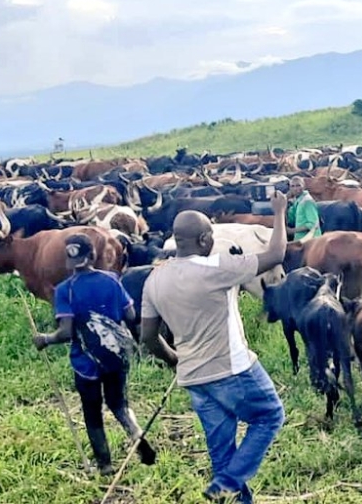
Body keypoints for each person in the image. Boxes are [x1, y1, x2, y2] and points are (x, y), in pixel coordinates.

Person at [141, 191, 290, 504]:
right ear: (206, 238)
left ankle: (230, 489)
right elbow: (276, 254)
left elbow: (149, 338)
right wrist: (278, 212)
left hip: (195, 379)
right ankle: (225, 484)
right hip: (234, 369)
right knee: (270, 416)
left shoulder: (154, 279)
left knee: (222, 452)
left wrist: (173, 358)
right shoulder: (218, 268)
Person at [32, 233, 156, 475]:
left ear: (67, 259)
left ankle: (105, 465)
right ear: (93, 255)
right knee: (119, 404)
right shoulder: (112, 280)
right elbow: (131, 317)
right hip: (115, 358)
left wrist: (45, 339)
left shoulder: (64, 290)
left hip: (85, 364)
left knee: (92, 412)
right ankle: (139, 441)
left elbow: (66, 332)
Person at [285, 176, 321, 242]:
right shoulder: (297, 201)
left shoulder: (307, 201)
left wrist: (292, 231)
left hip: (310, 241)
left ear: (303, 186)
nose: (295, 189)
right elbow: (291, 220)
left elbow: (313, 224)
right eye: (292, 186)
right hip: (301, 240)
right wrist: (286, 201)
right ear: (289, 188)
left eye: (298, 185)